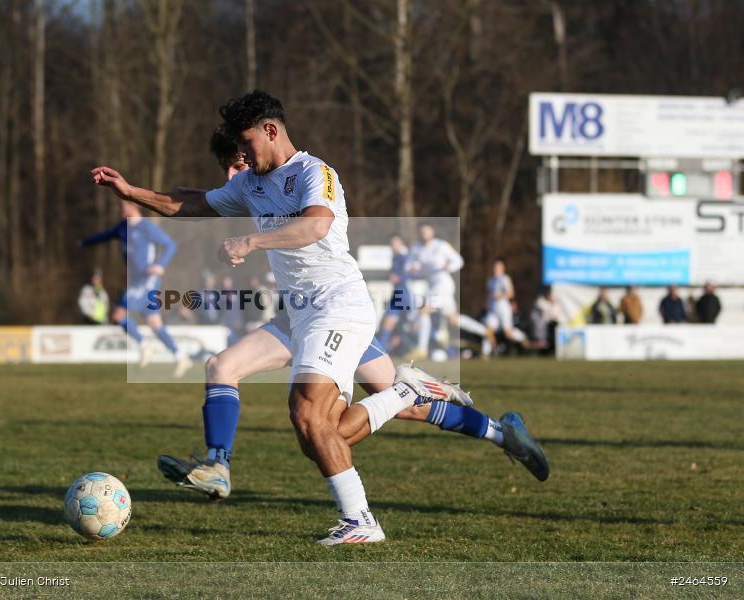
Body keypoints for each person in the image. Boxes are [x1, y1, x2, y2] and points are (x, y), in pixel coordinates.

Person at [91, 92, 548, 544]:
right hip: (300, 314)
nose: (244, 159)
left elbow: (316, 224)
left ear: (271, 131)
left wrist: (252, 242)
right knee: (236, 375)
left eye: (247, 146)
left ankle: (363, 518)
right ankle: (219, 465)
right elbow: (189, 203)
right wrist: (130, 191)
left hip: (337, 305)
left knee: (312, 416)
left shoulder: (314, 172)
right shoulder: (250, 184)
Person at [80, 201, 193, 377]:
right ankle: (181, 357)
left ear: (134, 206)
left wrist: (160, 265)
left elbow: (170, 245)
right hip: (137, 281)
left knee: (118, 315)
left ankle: (144, 345)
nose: (119, 209)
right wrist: (83, 242)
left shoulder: (146, 227)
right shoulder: (122, 228)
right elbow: (104, 236)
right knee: (154, 322)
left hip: (147, 280)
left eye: (122, 206)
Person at [406, 223, 463, 359]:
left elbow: (459, 261)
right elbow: (408, 266)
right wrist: (413, 268)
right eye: (422, 231)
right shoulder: (417, 248)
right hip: (432, 286)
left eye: (427, 231)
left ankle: (422, 349)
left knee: (424, 310)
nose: (424, 233)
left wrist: (449, 266)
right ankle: (484, 331)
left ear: (432, 231)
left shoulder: (441, 245)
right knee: (453, 319)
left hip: (443, 284)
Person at [377, 233, 414, 353]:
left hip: (406, 294)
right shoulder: (395, 257)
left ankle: (423, 348)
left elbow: (414, 272)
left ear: (401, 243)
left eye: (396, 243)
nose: (394, 246)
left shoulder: (405, 256)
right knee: (389, 321)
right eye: (392, 244)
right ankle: (381, 349)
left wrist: (400, 277)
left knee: (411, 324)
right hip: (398, 294)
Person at [482, 258, 527, 355]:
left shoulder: (505, 279)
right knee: (488, 331)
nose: (496, 268)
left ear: (503, 268)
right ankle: (486, 353)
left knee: (508, 333)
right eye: (495, 266)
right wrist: (487, 305)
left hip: (503, 308)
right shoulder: (491, 280)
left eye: (498, 267)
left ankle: (522, 337)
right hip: (493, 309)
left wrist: (500, 295)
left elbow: (511, 293)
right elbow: (489, 295)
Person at [529, 286, 563, 353]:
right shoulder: (540, 301)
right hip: (541, 326)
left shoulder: (555, 304)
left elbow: (555, 315)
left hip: (551, 325)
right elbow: (543, 310)